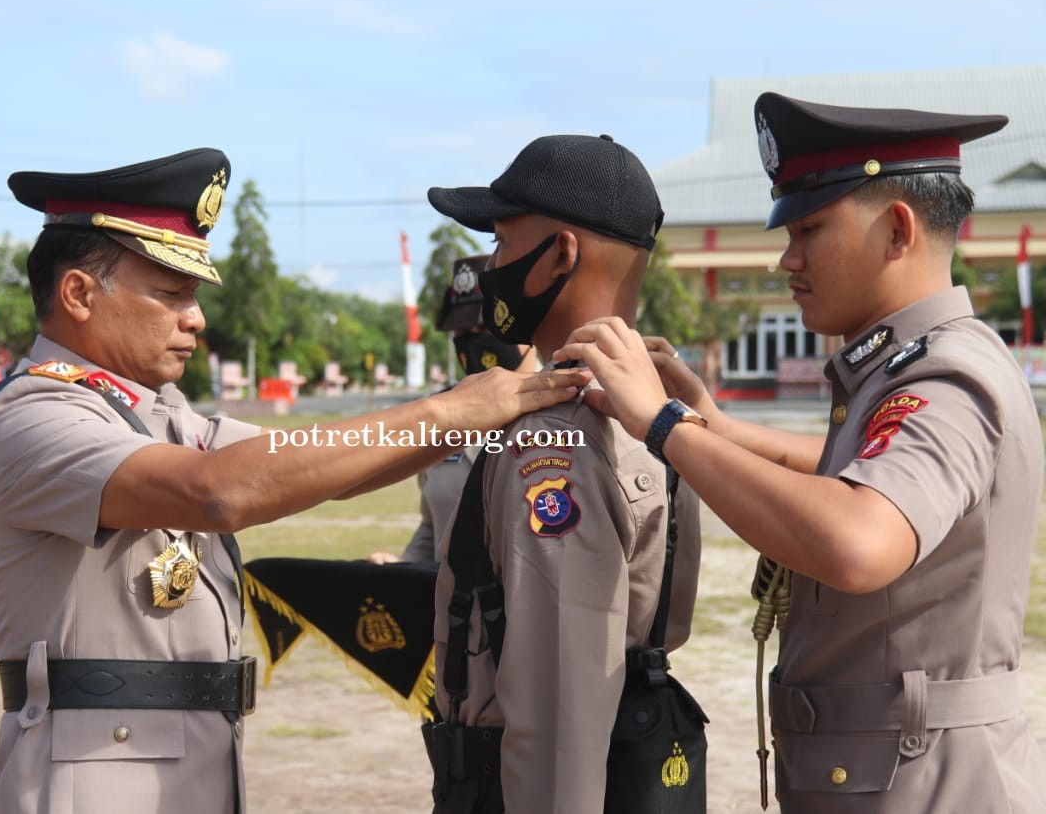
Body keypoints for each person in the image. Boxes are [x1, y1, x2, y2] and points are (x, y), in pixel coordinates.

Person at [0, 147, 586, 814]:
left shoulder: (155, 413)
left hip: (182, 774)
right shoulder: (31, 414)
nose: (195, 317)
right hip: (87, 785)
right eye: (171, 293)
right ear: (79, 294)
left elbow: (315, 461)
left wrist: (479, 411)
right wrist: (448, 410)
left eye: (193, 296)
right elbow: (214, 490)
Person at [557, 94, 1046, 812]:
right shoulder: (903, 367)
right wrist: (712, 425)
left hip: (924, 785)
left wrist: (662, 422)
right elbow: (848, 471)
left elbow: (857, 537)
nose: (787, 257)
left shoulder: (944, 375)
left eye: (810, 227)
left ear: (897, 230)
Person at [422, 134, 702, 813]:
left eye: (503, 241)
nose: (490, 266)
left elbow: (557, 715)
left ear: (562, 253)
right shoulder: (662, 407)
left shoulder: (557, 432)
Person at [369, 254, 535, 565]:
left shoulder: (567, 418)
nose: (470, 340)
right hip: (454, 612)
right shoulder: (437, 417)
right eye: (461, 331)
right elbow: (434, 527)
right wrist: (403, 568)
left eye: (483, 325)